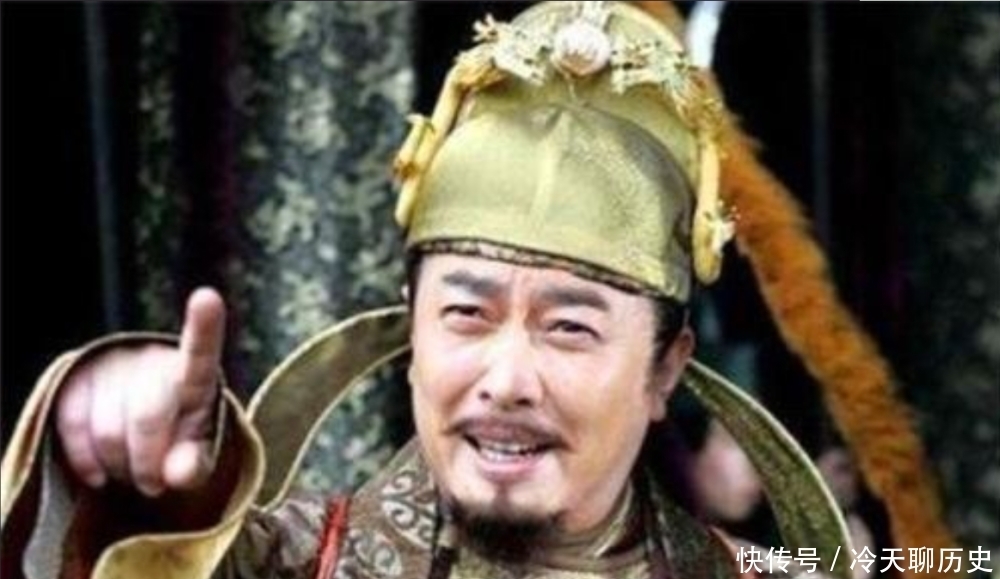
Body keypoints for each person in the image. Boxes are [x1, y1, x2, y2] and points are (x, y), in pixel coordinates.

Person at [1, 3, 851, 579]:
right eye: (467, 314)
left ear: (665, 368)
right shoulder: (286, 563)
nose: (507, 379)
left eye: (568, 327)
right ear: (412, 332)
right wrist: (118, 482)